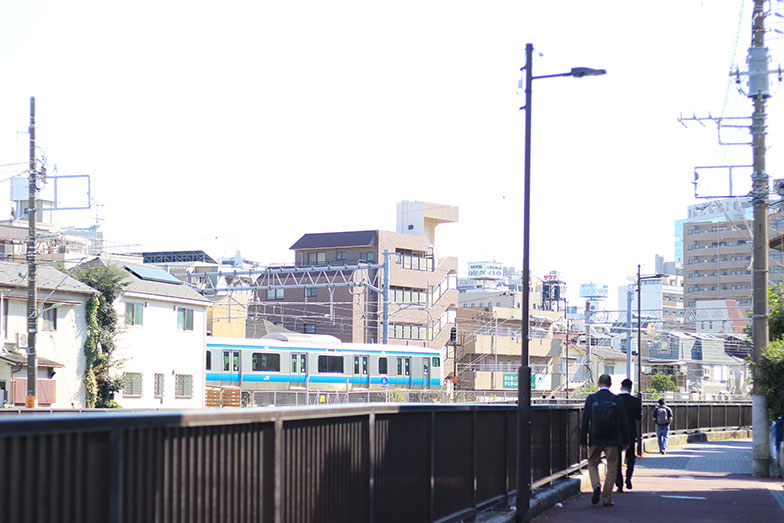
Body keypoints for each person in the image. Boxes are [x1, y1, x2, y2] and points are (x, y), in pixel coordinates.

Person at [580, 374, 630, 507]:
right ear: (610, 384)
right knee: (612, 468)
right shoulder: (616, 399)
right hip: (613, 439)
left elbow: (585, 421)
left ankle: (596, 486)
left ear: (598, 383)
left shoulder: (591, 398)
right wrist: (626, 439)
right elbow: (623, 421)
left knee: (592, 463)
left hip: (595, 437)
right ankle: (606, 498)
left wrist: (583, 440)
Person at [614, 379, 642, 492]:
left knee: (616, 458)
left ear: (621, 387)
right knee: (630, 457)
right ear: (631, 389)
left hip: (617, 432)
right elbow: (638, 418)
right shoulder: (635, 401)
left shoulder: (615, 399)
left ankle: (619, 483)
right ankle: (628, 478)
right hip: (630, 432)